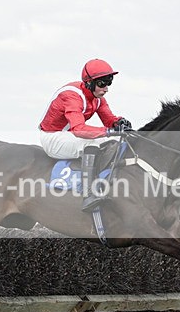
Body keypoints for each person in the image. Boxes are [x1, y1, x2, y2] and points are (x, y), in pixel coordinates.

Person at [38, 58, 132, 210]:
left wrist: (119, 123)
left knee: (114, 140)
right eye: (102, 84)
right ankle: (89, 194)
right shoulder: (72, 96)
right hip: (52, 137)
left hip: (68, 136)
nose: (106, 88)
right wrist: (109, 131)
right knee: (92, 143)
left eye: (109, 83)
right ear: (89, 83)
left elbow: (109, 120)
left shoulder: (98, 99)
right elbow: (79, 129)